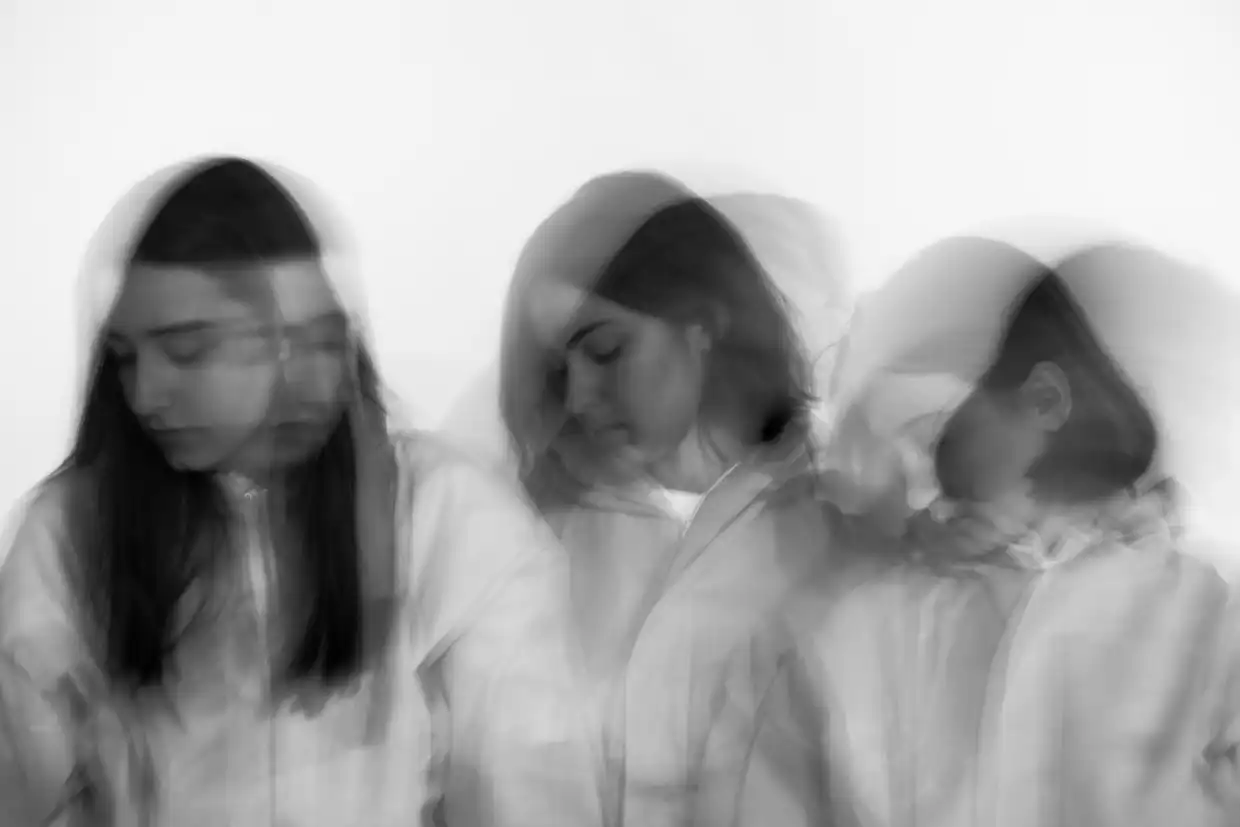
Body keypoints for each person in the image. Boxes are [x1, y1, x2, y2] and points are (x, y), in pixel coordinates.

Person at [0, 156, 600, 826]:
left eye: (187, 350)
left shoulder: (449, 518)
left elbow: (528, 792)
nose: (144, 393)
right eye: (126, 357)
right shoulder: (69, 534)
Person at [711, 236, 1240, 826]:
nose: (908, 478)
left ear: (1047, 399)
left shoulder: (1209, 622)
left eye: (933, 427)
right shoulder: (863, 630)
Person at [498, 169, 841, 826]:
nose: (578, 395)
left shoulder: (838, 526)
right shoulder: (532, 539)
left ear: (702, 323)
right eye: (559, 366)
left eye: (605, 350)